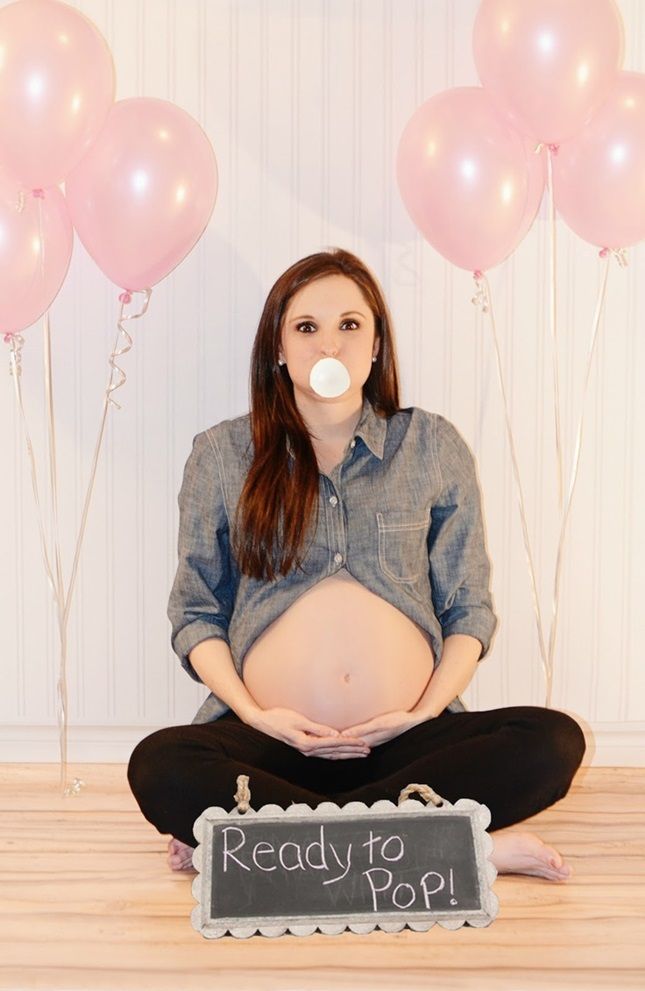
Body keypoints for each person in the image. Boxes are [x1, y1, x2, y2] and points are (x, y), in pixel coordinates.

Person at [127, 248, 586, 881]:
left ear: (376, 347)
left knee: (553, 741)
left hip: (406, 746)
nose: (329, 348)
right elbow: (196, 613)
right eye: (306, 328)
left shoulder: (431, 445)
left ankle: (259, 844)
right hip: (273, 748)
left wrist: (421, 713)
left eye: (350, 325)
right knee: (160, 764)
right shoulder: (222, 455)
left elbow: (468, 610)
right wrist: (259, 717)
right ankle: (450, 846)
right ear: (279, 349)